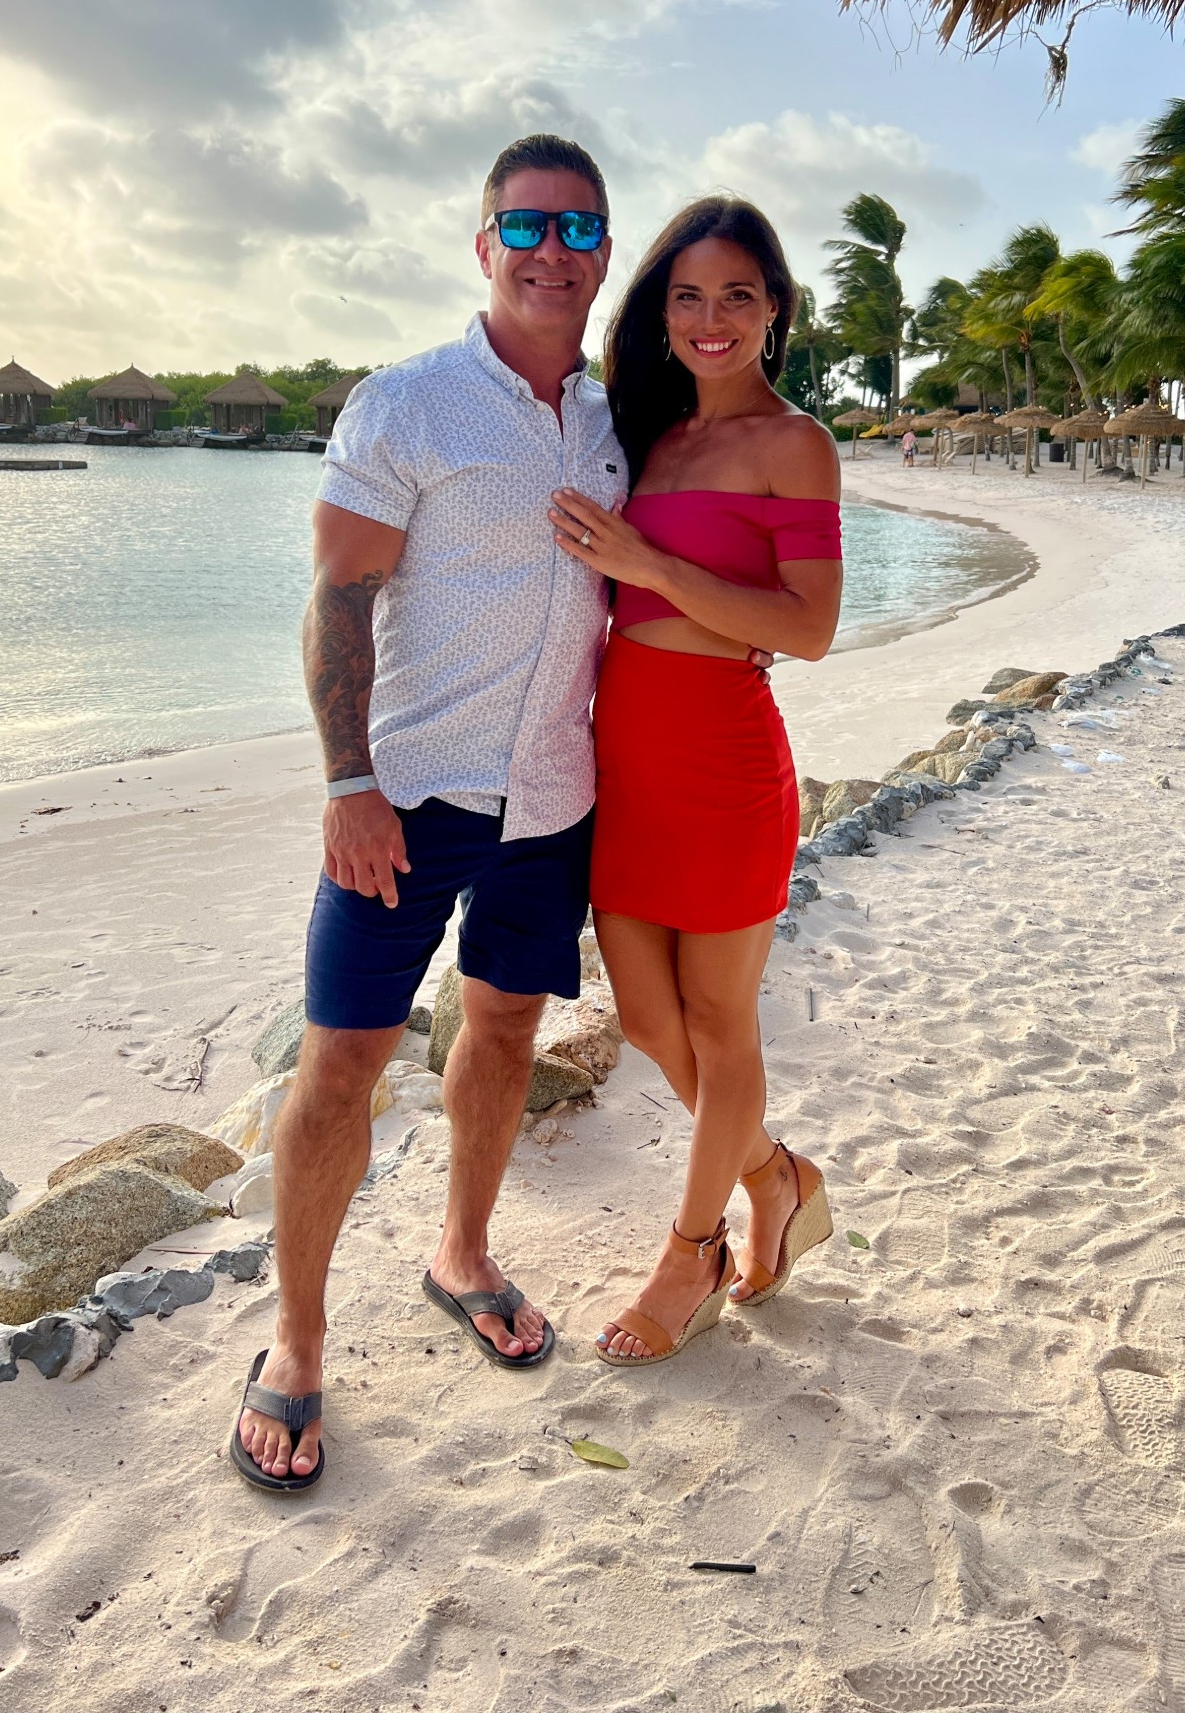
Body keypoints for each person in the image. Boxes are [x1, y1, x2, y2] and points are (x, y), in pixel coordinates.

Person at [231, 135, 624, 1490]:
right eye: (527, 226)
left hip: (553, 800)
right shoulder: (407, 404)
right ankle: (297, 1339)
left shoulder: (614, 424)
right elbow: (338, 597)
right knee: (340, 1063)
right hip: (404, 798)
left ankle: (461, 1251)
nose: (552, 251)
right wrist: (346, 784)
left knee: (506, 1029)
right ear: (484, 245)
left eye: (579, 230)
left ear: (605, 254)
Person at [548, 198, 843, 1363]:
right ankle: (776, 1175)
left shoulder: (794, 443)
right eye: (687, 295)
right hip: (625, 760)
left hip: (725, 763)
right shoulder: (645, 430)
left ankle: (691, 1251)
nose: (710, 317)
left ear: (773, 308)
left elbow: (809, 626)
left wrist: (650, 563)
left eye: (735, 294)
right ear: (660, 310)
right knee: (646, 1018)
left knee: (721, 1024)